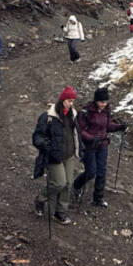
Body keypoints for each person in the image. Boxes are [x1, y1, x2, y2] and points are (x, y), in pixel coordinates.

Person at [73, 87, 127, 208]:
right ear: (96, 100)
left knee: (101, 172)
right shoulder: (86, 112)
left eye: (105, 101)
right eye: (101, 101)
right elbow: (79, 130)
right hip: (89, 146)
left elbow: (107, 127)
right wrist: (92, 138)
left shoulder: (106, 111)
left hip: (102, 145)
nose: (104, 104)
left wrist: (119, 127)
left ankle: (98, 198)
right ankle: (76, 185)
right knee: (91, 172)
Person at [32, 86, 79, 225]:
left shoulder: (73, 114)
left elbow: (76, 134)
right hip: (54, 156)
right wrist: (44, 144)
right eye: (69, 101)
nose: (71, 103)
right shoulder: (48, 117)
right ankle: (40, 199)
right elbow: (37, 136)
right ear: (63, 100)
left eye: (73, 101)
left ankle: (60, 213)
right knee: (59, 183)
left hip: (69, 155)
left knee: (68, 184)